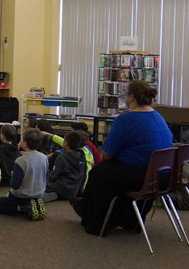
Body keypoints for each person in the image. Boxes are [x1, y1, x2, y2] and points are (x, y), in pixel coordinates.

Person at [74, 80, 173, 236]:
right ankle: (130, 220)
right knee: (109, 172)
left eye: (126, 94)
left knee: (98, 173)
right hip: (162, 176)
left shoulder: (126, 119)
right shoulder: (157, 116)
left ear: (132, 97)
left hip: (142, 176)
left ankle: (95, 222)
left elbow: (107, 154)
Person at [0, 128, 48, 220]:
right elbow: (46, 176)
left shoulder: (21, 160)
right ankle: (34, 201)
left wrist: (13, 175)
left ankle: (23, 208)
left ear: (24, 144)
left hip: (21, 195)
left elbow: (14, 185)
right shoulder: (44, 157)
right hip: (39, 193)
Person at [42, 131, 87, 203]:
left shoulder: (62, 157)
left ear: (66, 143)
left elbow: (54, 176)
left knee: (41, 184)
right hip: (74, 189)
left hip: (61, 188)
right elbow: (84, 175)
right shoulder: (82, 156)